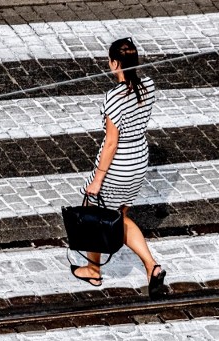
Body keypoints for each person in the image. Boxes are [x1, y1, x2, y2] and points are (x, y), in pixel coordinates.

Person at [70, 37, 166, 297]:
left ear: (115, 63)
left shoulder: (114, 98)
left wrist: (98, 179)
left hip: (118, 165)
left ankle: (93, 270)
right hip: (138, 160)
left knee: (94, 216)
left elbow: (111, 143)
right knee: (120, 217)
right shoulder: (149, 85)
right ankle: (151, 266)